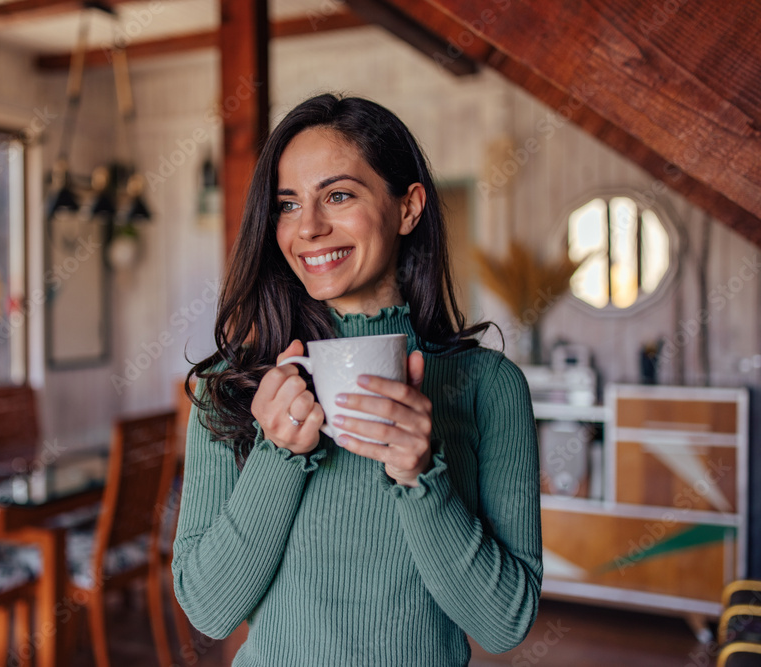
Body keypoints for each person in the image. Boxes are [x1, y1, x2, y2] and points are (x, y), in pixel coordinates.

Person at [172, 93, 541, 666]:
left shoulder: (487, 386)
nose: (309, 227)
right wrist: (277, 455)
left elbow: (504, 625)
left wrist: (422, 477)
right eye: (288, 205)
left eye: (338, 195)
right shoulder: (238, 384)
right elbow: (209, 610)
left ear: (408, 207)